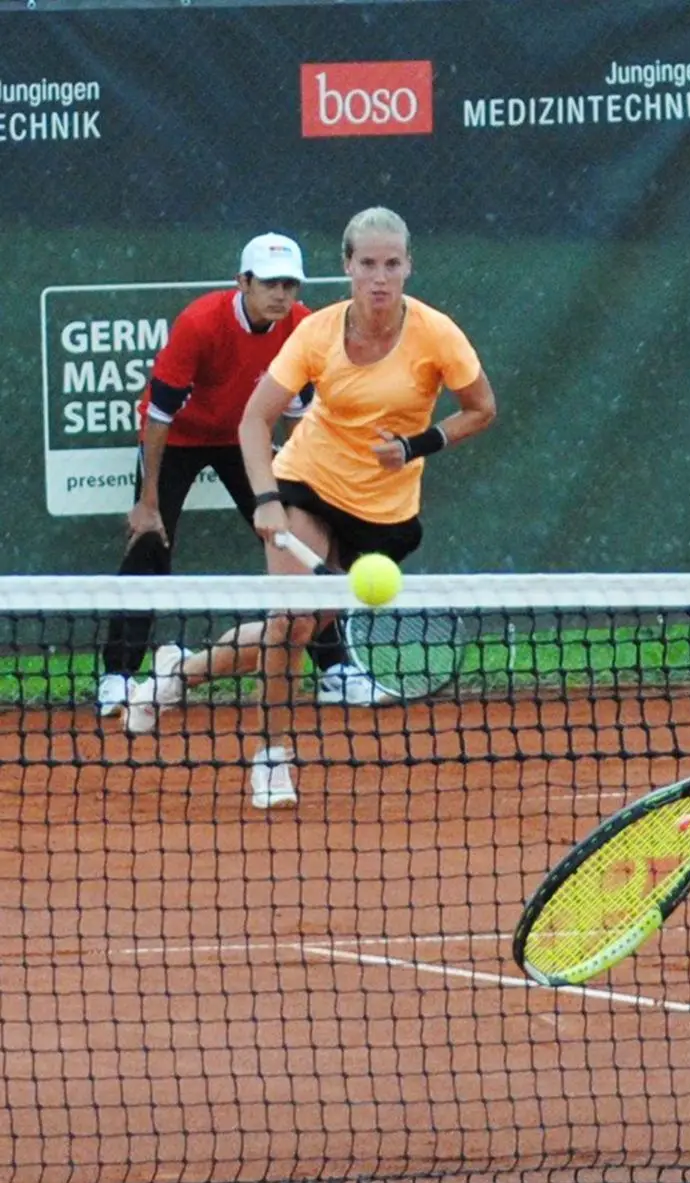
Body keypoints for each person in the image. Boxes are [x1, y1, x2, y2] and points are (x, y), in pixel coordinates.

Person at [123, 206, 497, 809]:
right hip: (307, 484)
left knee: (291, 632)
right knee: (289, 622)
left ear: (409, 267)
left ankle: (176, 673)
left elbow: (481, 408)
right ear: (347, 266)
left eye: (392, 264)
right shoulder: (317, 331)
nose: (380, 277)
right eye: (368, 263)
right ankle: (272, 757)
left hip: (384, 512)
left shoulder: (437, 333)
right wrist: (267, 499)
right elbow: (254, 419)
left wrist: (417, 445)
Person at [95, 232, 313, 715]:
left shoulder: (302, 325)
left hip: (244, 439)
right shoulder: (200, 322)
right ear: (243, 281)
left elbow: (300, 414)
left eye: (291, 285)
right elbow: (158, 416)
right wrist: (148, 503)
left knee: (296, 543)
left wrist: (299, 489)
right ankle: (118, 675)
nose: (282, 294)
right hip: (178, 439)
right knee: (149, 544)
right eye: (271, 283)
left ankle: (337, 667)